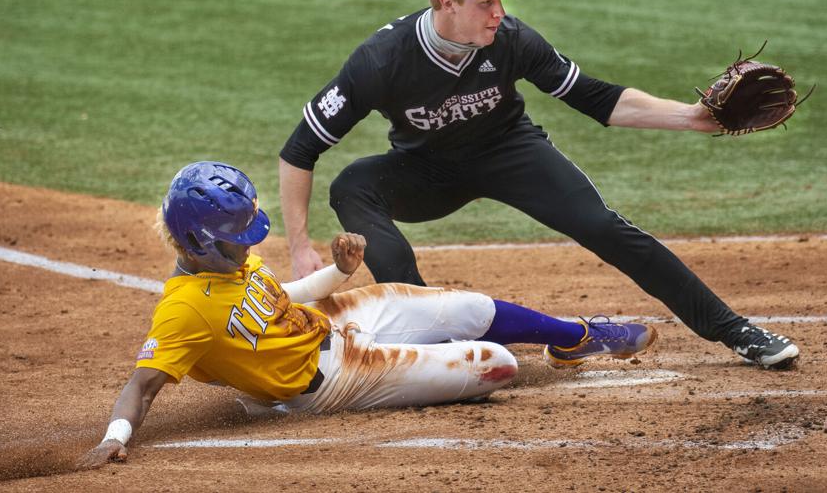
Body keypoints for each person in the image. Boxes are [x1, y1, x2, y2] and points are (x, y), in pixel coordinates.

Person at [278, 0, 800, 371]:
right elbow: (301, 148)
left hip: (511, 152)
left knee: (605, 227)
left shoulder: (512, 40)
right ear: (445, 3)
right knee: (352, 185)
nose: (498, 12)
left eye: (500, 0)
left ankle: (735, 331)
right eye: (484, 2)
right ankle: (429, 339)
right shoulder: (382, 61)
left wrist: (692, 116)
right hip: (427, 170)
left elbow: (594, 96)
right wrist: (300, 246)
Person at [76, 161, 656, 470]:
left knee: (473, 307)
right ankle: (426, 361)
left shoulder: (232, 262)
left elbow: (289, 294)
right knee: (496, 363)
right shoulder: (184, 311)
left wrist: (340, 274)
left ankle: (573, 337)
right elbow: (142, 384)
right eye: (236, 238)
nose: (249, 243)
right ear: (201, 243)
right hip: (331, 382)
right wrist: (115, 437)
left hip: (334, 321)